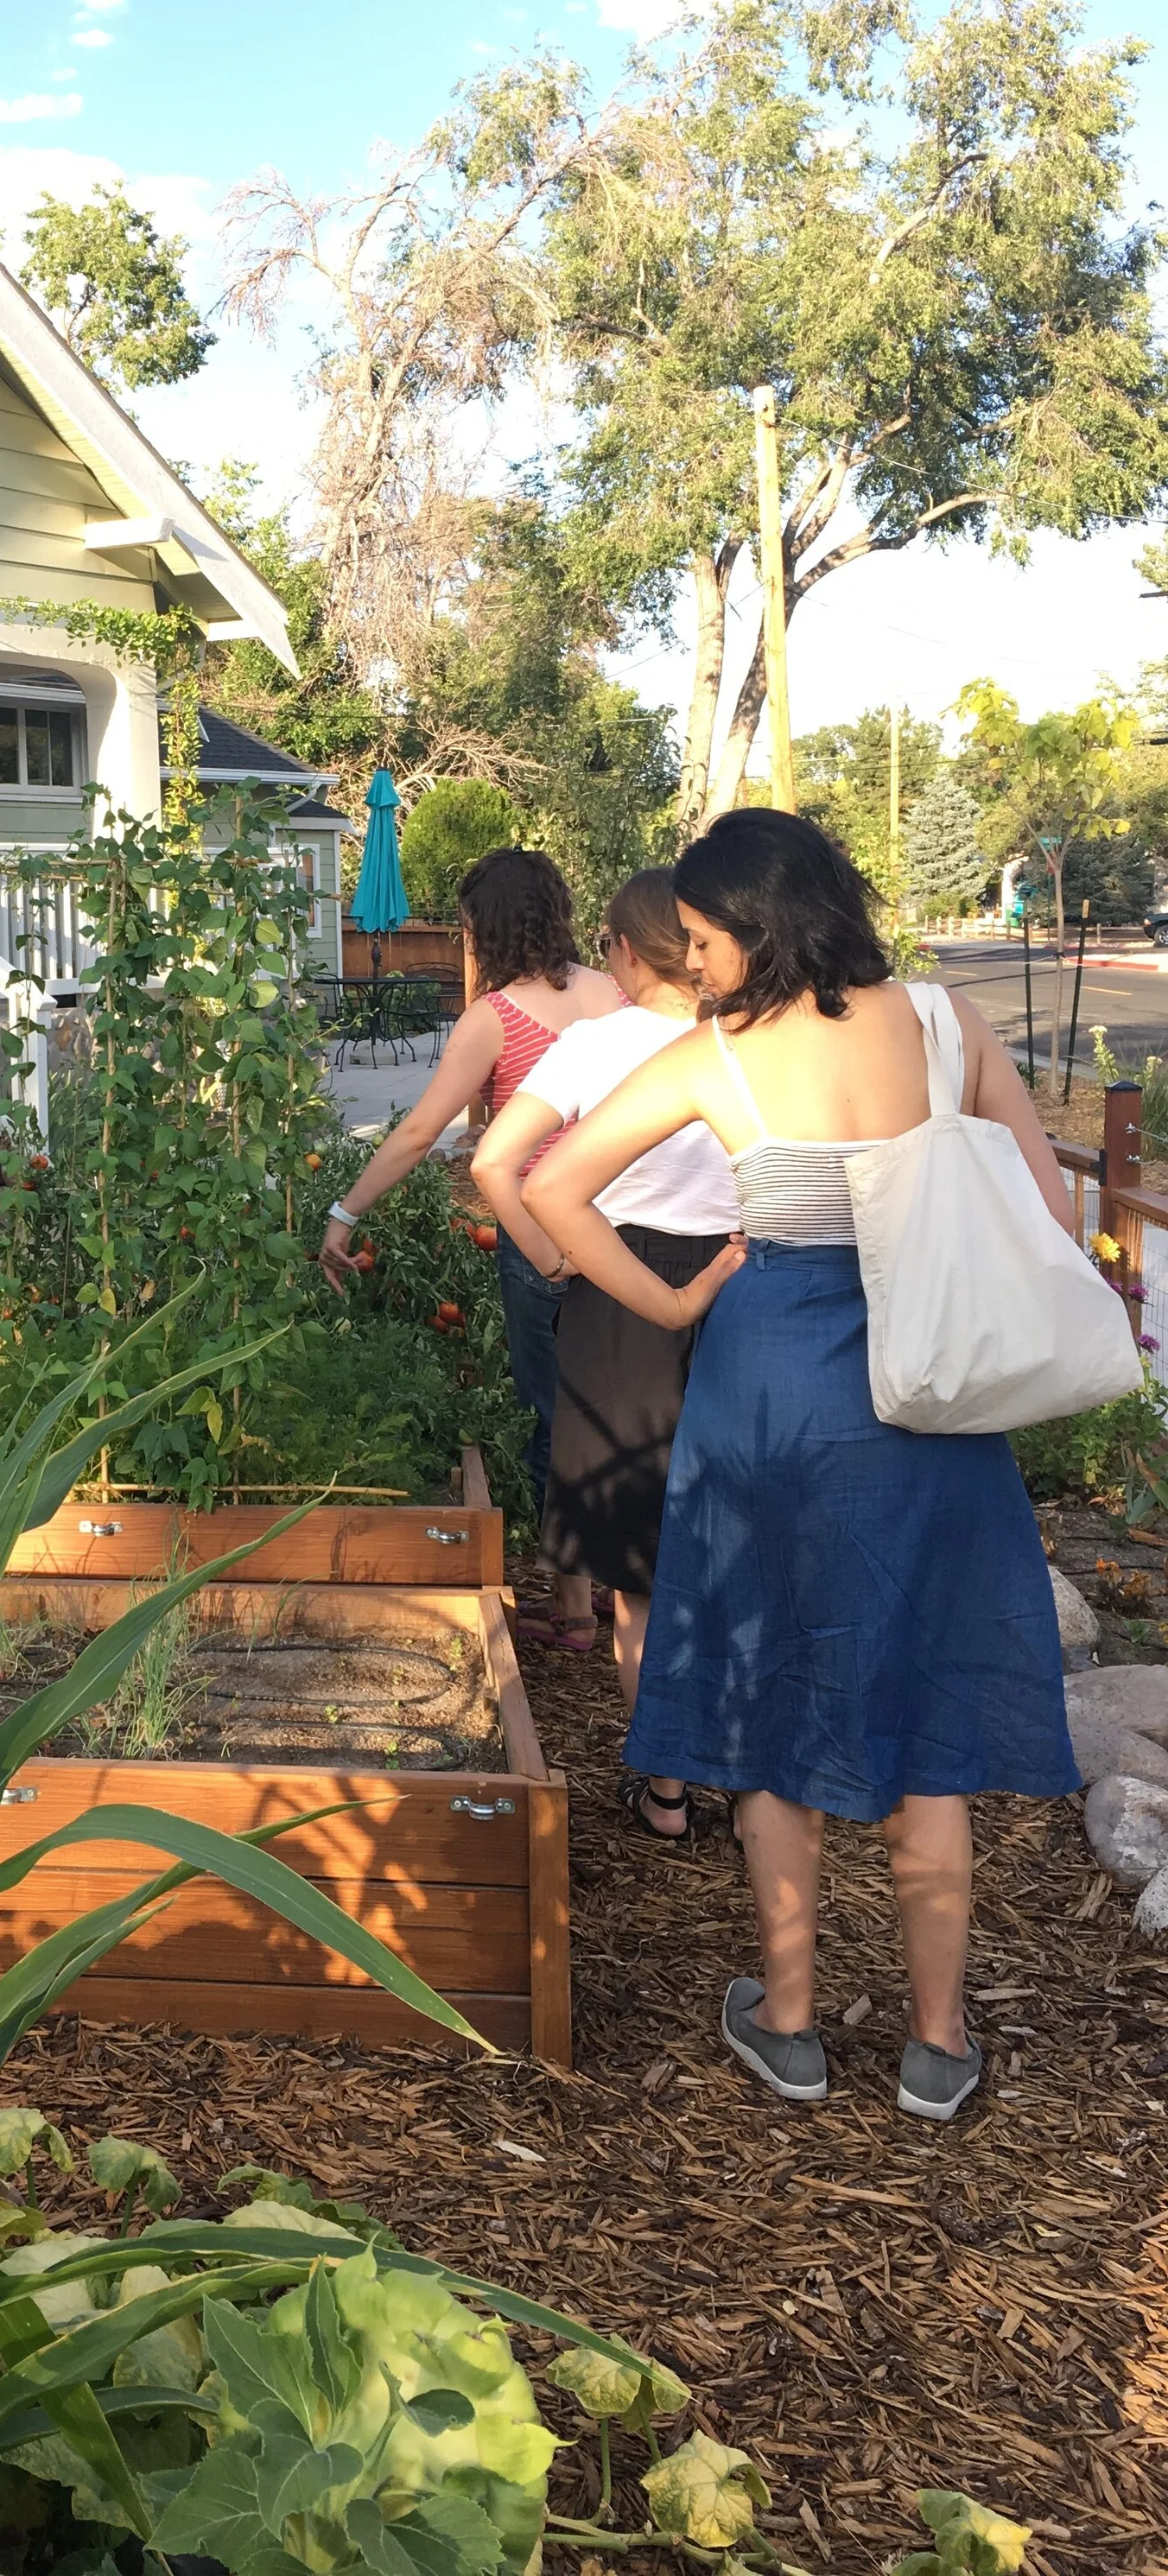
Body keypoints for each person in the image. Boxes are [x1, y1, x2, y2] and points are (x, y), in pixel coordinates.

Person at [524, 809, 1080, 2122]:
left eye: (706, 938)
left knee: (777, 1694)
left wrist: (667, 1308)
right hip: (933, 1393)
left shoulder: (720, 1053)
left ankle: (790, 2021)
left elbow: (553, 1190)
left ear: (756, 923)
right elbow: (1047, 1203)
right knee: (928, 1708)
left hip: (774, 1395)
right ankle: (938, 2045)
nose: (698, 962)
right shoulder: (945, 1025)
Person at [469, 868, 740, 1840]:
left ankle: (664, 1789)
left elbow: (495, 1163)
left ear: (624, 952)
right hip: (745, 1288)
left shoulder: (595, 1044)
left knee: (637, 1567)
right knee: (740, 1542)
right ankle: (759, 1778)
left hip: (614, 1295)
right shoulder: (749, 1037)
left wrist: (553, 1260)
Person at [319, 846, 619, 1613]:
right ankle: (633, 1592)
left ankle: (575, 1604)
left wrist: (345, 1211)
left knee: (551, 1408)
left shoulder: (495, 1016)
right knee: (625, 1398)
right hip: (625, 1225)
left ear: (488, 928)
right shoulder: (616, 995)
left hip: (540, 1228)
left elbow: (420, 1130)